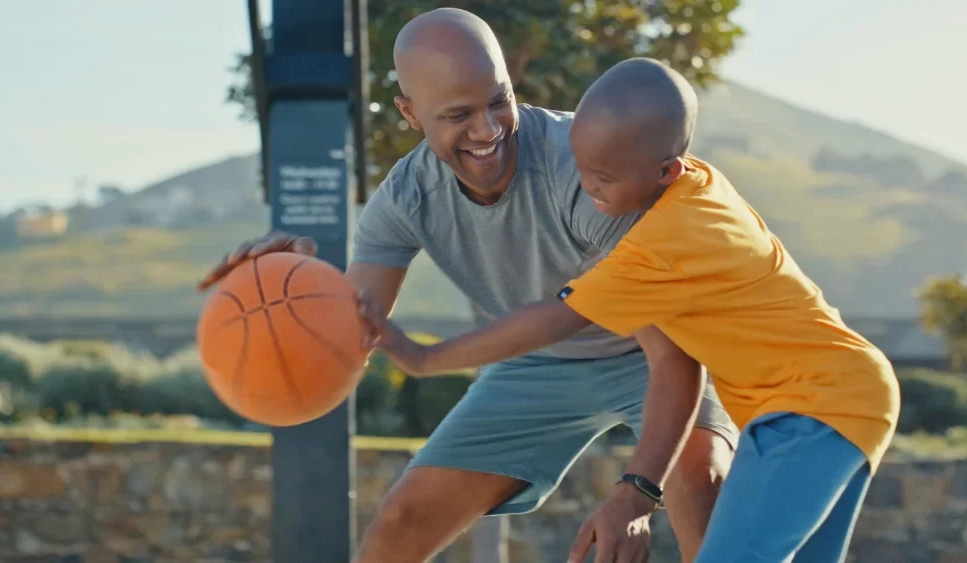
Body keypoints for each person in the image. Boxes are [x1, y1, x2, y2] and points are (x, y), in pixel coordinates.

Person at [195, 9, 738, 563]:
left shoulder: (588, 169)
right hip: (538, 363)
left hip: (653, 351)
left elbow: (673, 355)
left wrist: (639, 491)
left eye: (498, 101)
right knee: (403, 522)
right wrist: (296, 288)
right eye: (458, 115)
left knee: (699, 477)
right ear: (410, 112)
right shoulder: (405, 199)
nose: (487, 130)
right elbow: (352, 334)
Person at [364, 57, 902, 563]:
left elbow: (556, 318)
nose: (586, 183)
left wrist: (426, 358)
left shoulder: (663, 242)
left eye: (604, 177)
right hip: (842, 397)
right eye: (580, 166)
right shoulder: (701, 187)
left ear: (666, 171)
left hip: (811, 408)